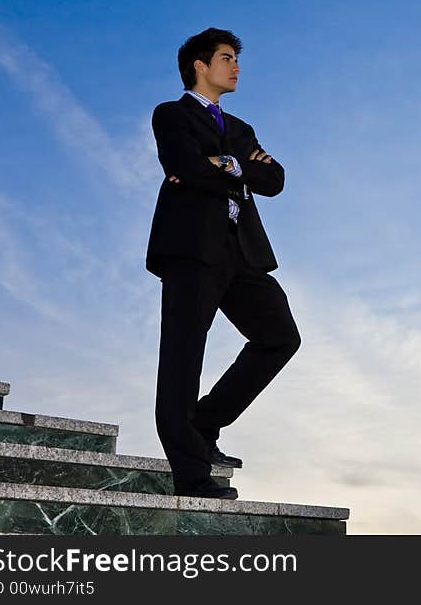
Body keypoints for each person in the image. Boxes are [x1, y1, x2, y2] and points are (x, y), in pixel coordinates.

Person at [146, 27, 300, 499]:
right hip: (191, 248)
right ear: (200, 65)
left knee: (279, 337)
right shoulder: (171, 115)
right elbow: (185, 166)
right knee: (183, 358)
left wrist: (226, 163)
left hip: (242, 250)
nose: (236, 67)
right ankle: (191, 477)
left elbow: (273, 179)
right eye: (227, 57)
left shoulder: (240, 129)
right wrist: (235, 168)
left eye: (236, 59)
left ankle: (204, 422)